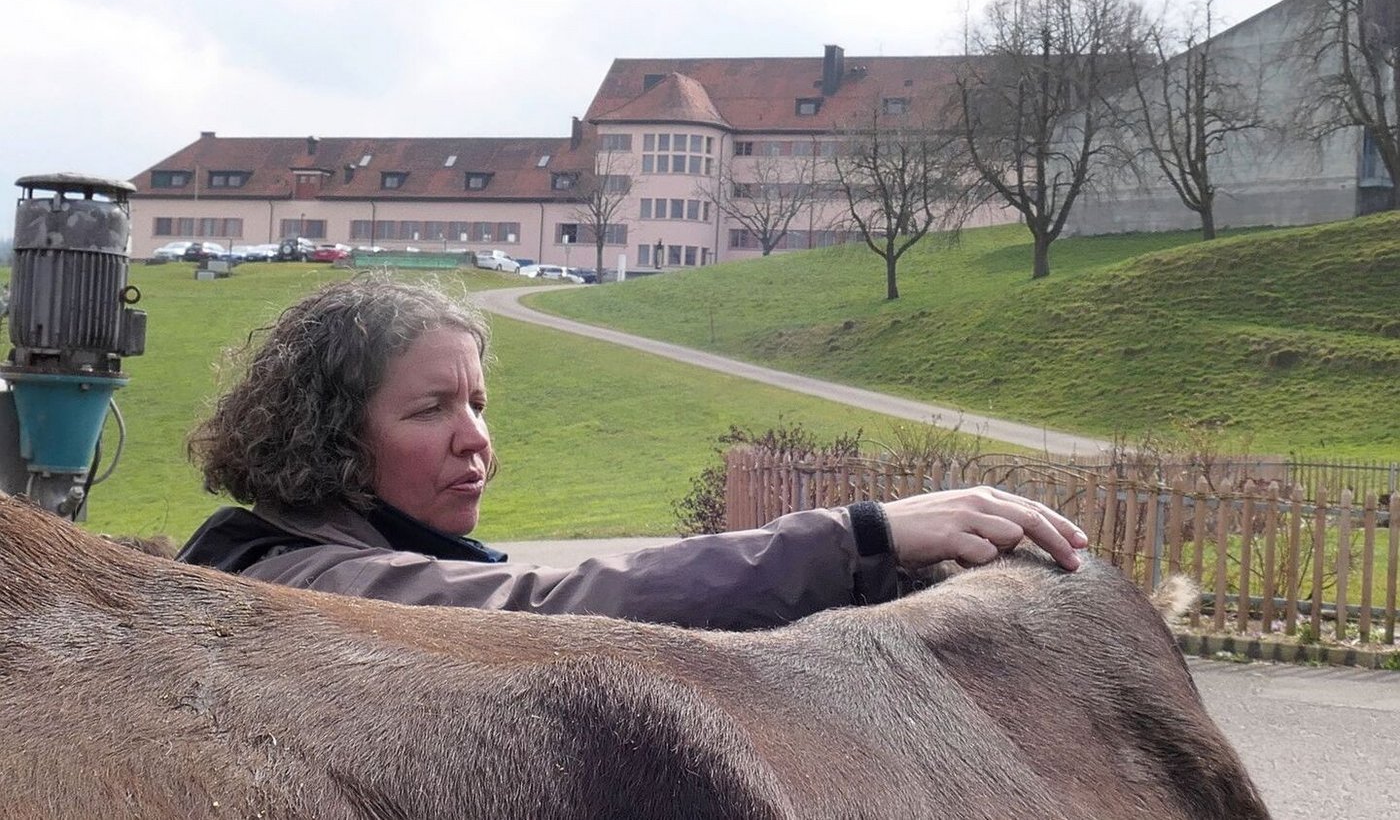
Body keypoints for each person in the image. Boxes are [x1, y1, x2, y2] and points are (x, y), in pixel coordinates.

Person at [179, 276, 1088, 630]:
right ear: (330, 438)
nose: (476, 439)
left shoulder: (373, 553)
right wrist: (858, 538)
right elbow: (557, 603)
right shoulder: (291, 582)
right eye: (431, 408)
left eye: (479, 403)